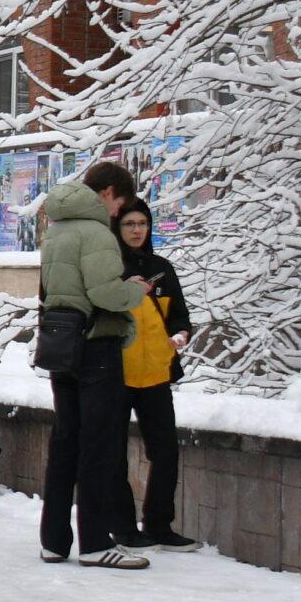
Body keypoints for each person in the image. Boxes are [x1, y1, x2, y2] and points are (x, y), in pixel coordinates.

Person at [38, 161, 155, 569]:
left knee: (65, 443)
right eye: (120, 203)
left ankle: (53, 540)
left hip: (61, 346)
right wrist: (134, 291)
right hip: (97, 347)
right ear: (108, 193)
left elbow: (49, 290)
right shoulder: (98, 233)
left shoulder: (55, 231)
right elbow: (105, 294)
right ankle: (94, 543)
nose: (120, 213)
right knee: (99, 446)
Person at [115, 196, 197, 550]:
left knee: (165, 451)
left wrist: (179, 335)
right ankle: (122, 526)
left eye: (142, 224)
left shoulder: (162, 267)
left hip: (156, 374)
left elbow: (179, 314)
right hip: (117, 376)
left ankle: (158, 524)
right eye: (129, 224)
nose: (136, 230)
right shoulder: (111, 269)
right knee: (113, 453)